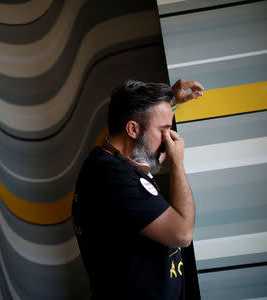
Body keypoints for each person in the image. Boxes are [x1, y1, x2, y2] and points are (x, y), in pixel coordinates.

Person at [72, 79, 204, 299]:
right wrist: (178, 163)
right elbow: (182, 234)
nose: (168, 139)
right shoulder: (111, 178)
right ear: (132, 128)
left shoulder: (117, 162)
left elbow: (151, 153)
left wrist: (168, 104)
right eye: (163, 130)